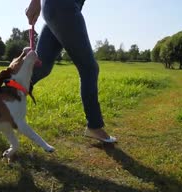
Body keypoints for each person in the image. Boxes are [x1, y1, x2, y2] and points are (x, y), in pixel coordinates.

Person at [25, 0, 117, 143]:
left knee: (41, 68)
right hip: (63, 6)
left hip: (57, 8)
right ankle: (95, 126)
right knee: (89, 68)